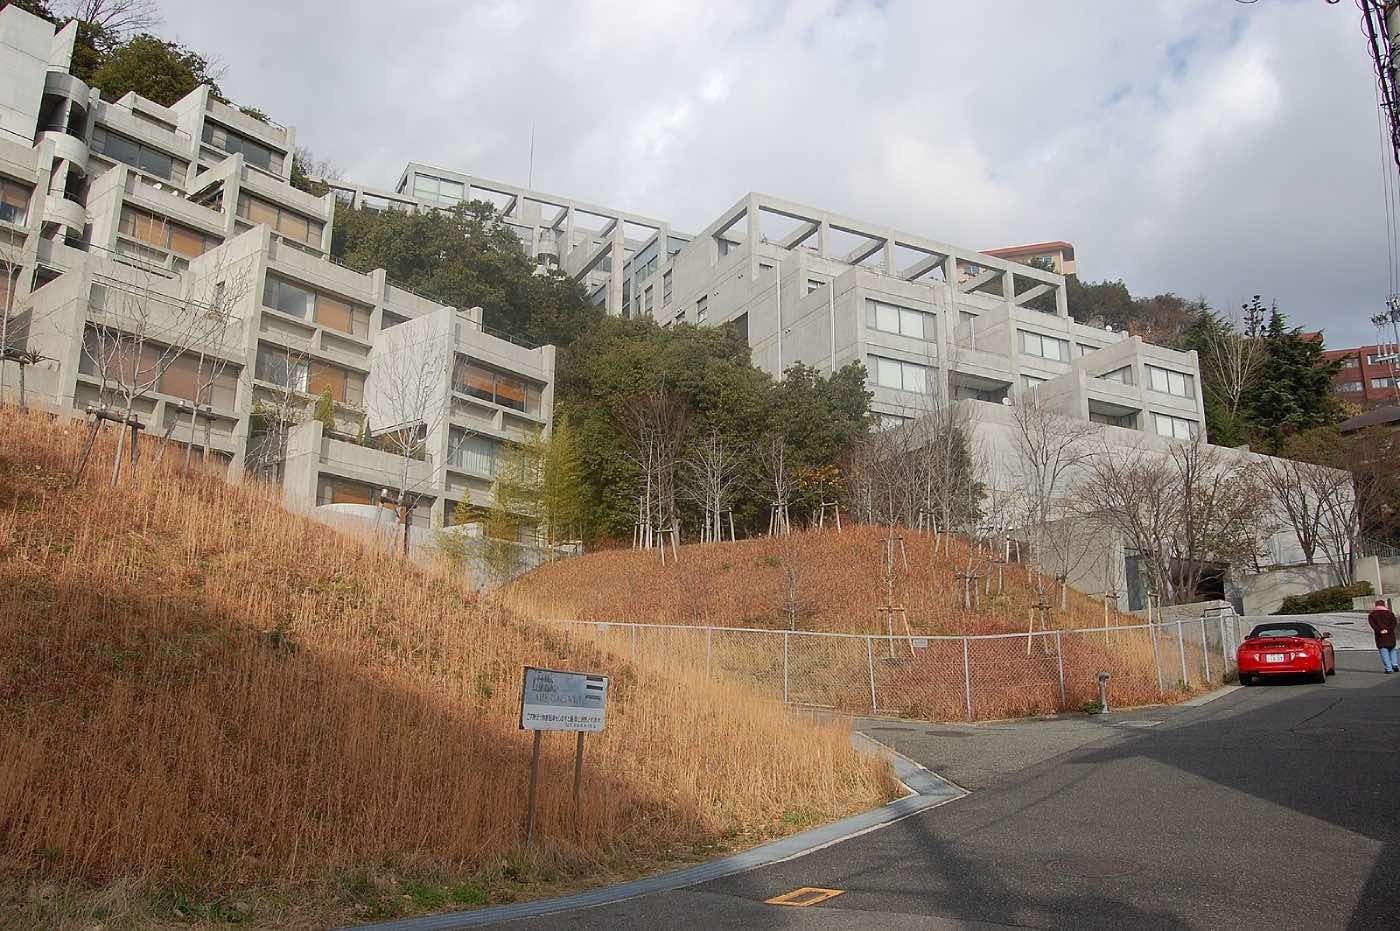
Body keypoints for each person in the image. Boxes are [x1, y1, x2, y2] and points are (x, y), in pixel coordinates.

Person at [1368, 599, 1398, 674]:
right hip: (1390, 635)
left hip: (1380, 637)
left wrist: (1380, 631)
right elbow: (1394, 623)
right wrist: (1388, 630)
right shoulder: (1390, 613)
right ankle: (1395, 664)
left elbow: (1373, 625)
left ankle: (1389, 669)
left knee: (1384, 651)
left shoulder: (1372, 615)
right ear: (1384, 605)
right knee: (1392, 650)